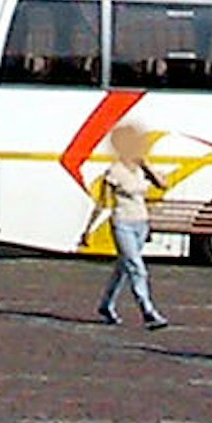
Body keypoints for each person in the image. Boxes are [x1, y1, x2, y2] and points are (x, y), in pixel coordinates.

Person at [85, 129, 166, 329]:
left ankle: (106, 304)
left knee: (124, 267)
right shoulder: (114, 172)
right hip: (123, 223)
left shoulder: (140, 169)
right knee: (136, 267)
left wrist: (147, 166)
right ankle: (147, 310)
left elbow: (162, 184)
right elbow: (102, 203)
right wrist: (88, 229)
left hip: (141, 222)